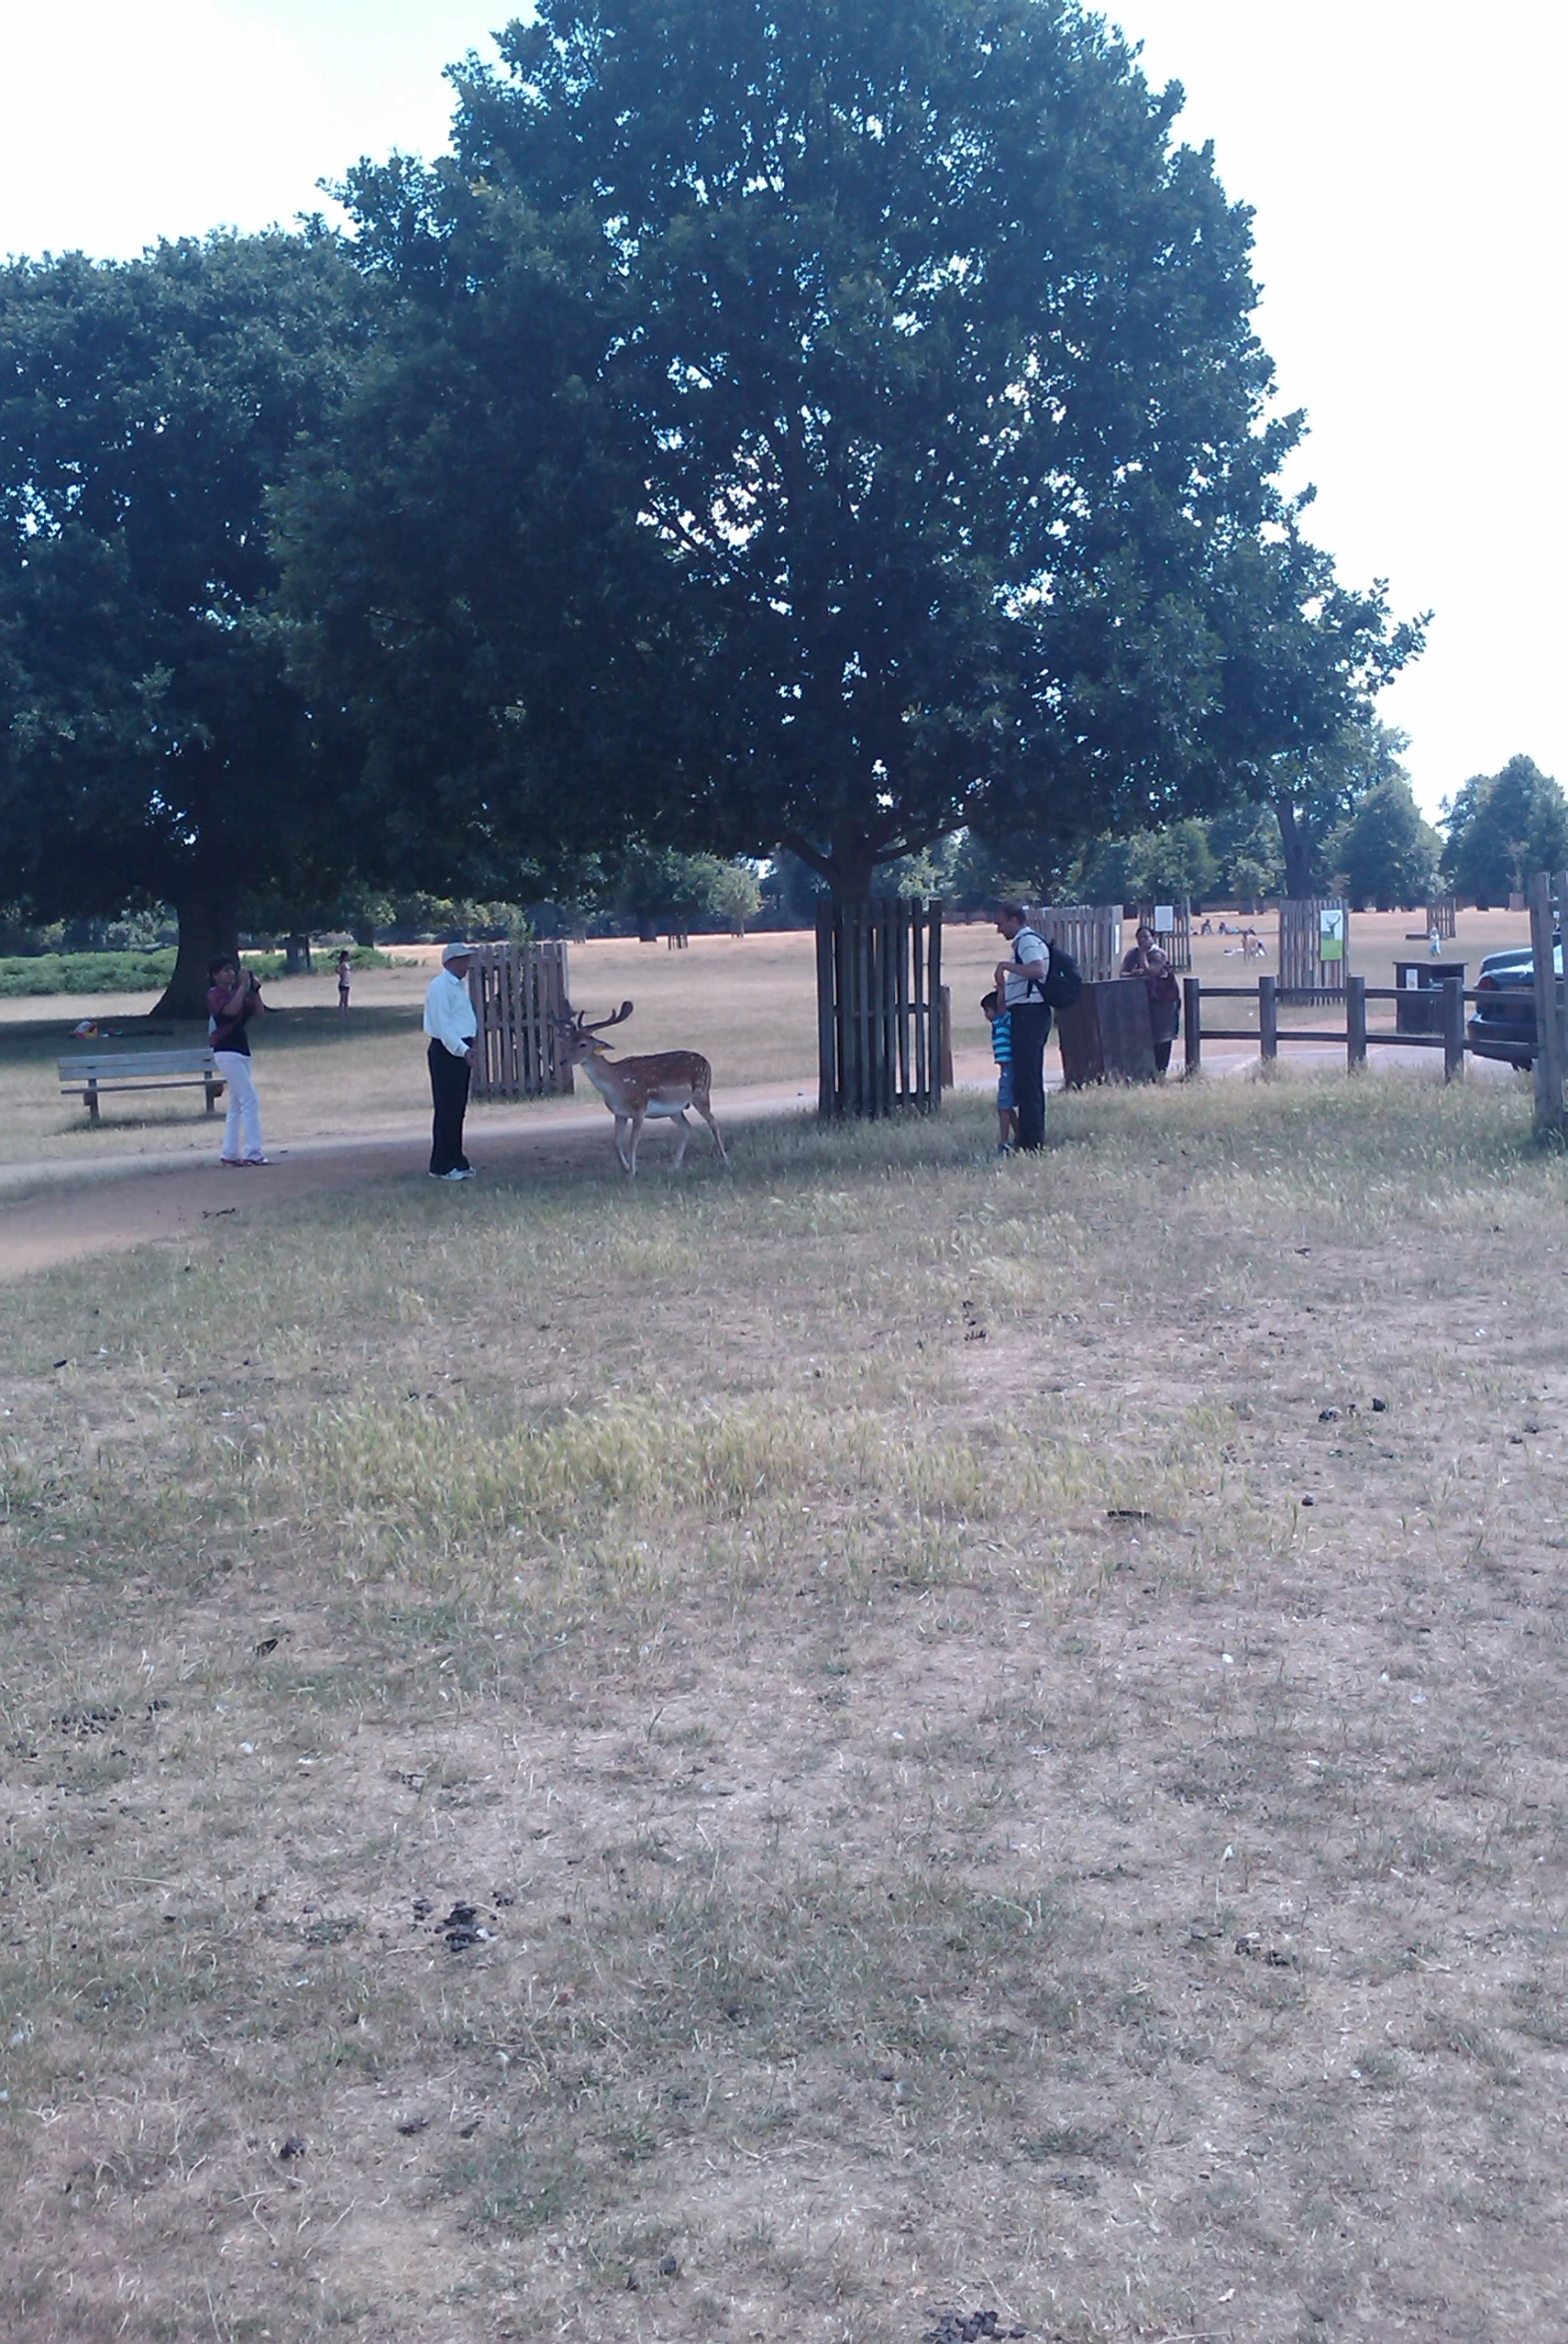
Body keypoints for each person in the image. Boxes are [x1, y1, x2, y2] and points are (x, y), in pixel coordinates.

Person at [994, 903, 1052, 1150]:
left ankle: (1032, 1142)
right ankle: (1028, 1138)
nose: (999, 928)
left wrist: (1006, 967)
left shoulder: (1026, 941)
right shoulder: (1025, 941)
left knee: (1029, 1080)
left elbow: (1037, 969)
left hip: (1030, 1015)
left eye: (1001, 922)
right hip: (1027, 1015)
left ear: (1015, 920)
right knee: (1027, 1080)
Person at [423, 941, 479, 1179]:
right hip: (447, 1051)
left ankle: (456, 1158)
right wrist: (462, 1049)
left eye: (467, 959)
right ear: (449, 962)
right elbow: (444, 1026)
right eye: (462, 960)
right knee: (446, 1108)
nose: (466, 964)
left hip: (461, 1049)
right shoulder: (440, 987)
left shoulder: (458, 986)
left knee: (458, 1108)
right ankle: (441, 1164)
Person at [207, 954, 269, 1166]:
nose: (231, 974)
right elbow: (230, 1011)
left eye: (232, 970)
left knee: (237, 1104)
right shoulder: (215, 994)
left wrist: (255, 990)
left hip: (242, 1050)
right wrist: (243, 986)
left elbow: (260, 1013)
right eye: (225, 970)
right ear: (215, 975)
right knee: (250, 1098)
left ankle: (230, 1154)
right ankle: (254, 1152)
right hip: (225, 1050)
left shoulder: (238, 994)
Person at [1122, 922, 1180, 1076]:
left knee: (1162, 1037)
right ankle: (1144, 1072)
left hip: (1163, 1002)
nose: (1143, 940)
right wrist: (1136, 971)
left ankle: (1161, 1072)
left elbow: (1150, 972)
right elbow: (1123, 973)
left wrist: (1142, 957)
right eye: (1140, 937)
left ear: (1153, 938)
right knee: (1143, 1037)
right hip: (1142, 1002)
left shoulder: (1158, 954)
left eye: (1146, 937)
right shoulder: (1131, 954)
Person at [981, 989, 1016, 1152]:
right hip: (1005, 1069)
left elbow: (1002, 1005)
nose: (986, 1015)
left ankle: (1004, 1142)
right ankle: (1020, 1136)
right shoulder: (996, 1024)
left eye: (987, 1010)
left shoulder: (1004, 1019)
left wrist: (1002, 988)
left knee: (1003, 1105)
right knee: (1007, 1106)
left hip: (1010, 1067)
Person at [337, 949, 353, 1013]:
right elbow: (340, 973)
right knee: (342, 999)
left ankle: (346, 1013)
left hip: (347, 983)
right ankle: (341, 1012)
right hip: (343, 984)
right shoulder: (343, 964)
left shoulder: (346, 964)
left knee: (346, 1000)